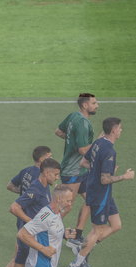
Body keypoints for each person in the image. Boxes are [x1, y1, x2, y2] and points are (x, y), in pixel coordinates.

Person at [67, 117, 135, 267]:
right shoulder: (109, 150)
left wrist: (101, 169)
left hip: (102, 193)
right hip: (100, 195)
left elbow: (83, 162)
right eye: (119, 127)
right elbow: (105, 179)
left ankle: (83, 247)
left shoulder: (99, 142)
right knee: (97, 231)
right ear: (113, 130)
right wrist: (124, 177)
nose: (121, 130)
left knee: (116, 224)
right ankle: (75, 265)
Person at [0, 146, 52, 267]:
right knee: (20, 262)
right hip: (30, 223)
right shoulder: (40, 177)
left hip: (23, 220)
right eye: (49, 158)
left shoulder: (26, 171)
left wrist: (24, 198)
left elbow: (10, 185)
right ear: (42, 160)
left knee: (18, 260)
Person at [55, 93, 99, 248]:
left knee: (91, 199)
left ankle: (77, 236)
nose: (97, 105)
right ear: (85, 105)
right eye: (94, 103)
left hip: (81, 170)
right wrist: (99, 145)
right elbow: (82, 150)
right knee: (67, 205)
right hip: (72, 170)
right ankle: (44, 231)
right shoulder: (82, 123)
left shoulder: (73, 115)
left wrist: (72, 140)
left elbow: (58, 132)